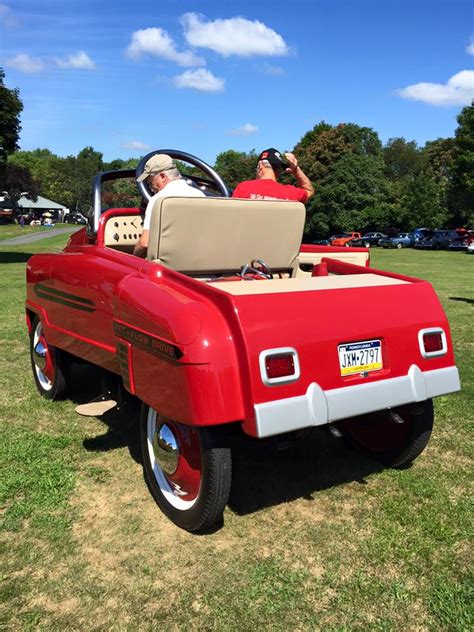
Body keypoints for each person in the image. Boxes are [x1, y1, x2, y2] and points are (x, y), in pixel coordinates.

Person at [133, 154, 205, 258]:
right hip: (200, 263)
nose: (150, 185)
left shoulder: (158, 200)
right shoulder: (200, 195)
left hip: (168, 269)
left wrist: (134, 256)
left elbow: (145, 243)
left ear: (162, 177)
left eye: (150, 180)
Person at [232, 148, 314, 203]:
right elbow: (309, 191)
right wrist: (296, 169)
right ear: (279, 170)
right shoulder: (291, 193)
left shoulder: (243, 188)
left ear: (260, 165)